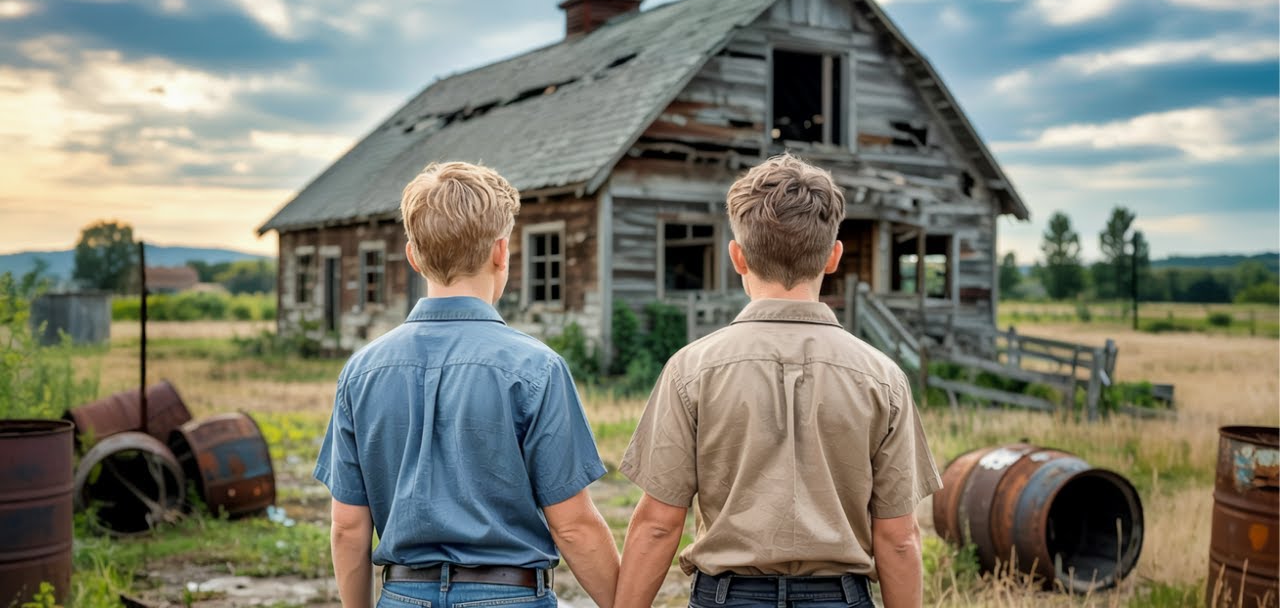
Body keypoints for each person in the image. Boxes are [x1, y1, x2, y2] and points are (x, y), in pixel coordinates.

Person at [614, 154, 942, 608]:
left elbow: (658, 523)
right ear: (833, 257)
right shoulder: (882, 378)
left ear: (737, 257)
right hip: (840, 597)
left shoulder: (691, 369)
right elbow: (899, 537)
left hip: (728, 597)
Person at [314, 161, 619, 608]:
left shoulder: (361, 371)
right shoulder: (536, 367)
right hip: (508, 596)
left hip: (402, 594)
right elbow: (572, 525)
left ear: (414, 256)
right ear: (501, 252)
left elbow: (347, 527)